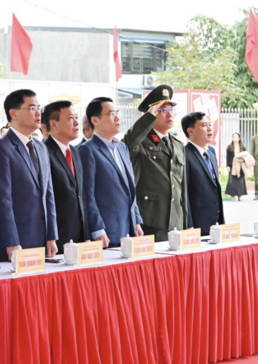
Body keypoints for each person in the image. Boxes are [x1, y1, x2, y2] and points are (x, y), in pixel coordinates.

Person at [0, 89, 57, 261]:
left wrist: (52, 235)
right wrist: (11, 241)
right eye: (32, 108)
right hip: (17, 239)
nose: (38, 113)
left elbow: (49, 194)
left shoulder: (41, 147)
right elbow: (1, 200)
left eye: (39, 108)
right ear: (14, 113)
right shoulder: (1, 148)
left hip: (42, 238)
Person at [123, 85, 189, 241]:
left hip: (176, 221)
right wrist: (149, 116)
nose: (169, 114)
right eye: (162, 110)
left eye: (171, 110)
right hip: (151, 220)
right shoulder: (141, 141)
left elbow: (182, 189)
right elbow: (127, 145)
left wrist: (185, 222)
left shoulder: (177, 145)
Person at [79, 97, 143, 246]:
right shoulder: (87, 150)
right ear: (95, 120)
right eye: (112, 114)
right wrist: (97, 229)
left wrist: (137, 220)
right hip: (107, 231)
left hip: (130, 228)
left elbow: (129, 189)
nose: (118, 118)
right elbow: (87, 195)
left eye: (117, 113)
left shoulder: (122, 148)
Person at [42, 101, 89, 253]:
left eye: (76, 117)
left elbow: (81, 195)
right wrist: (51, 236)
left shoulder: (75, 152)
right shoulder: (43, 152)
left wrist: (87, 233)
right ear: (53, 124)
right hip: (57, 238)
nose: (76, 122)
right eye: (70, 118)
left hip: (79, 237)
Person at [182, 112, 224, 234]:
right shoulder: (184, 154)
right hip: (197, 224)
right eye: (204, 125)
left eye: (210, 124)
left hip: (215, 222)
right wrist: (189, 224)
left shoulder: (211, 152)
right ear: (190, 131)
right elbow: (184, 193)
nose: (210, 128)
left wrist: (221, 220)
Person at [225, 132, 249, 201]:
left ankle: (240, 195)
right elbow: (228, 157)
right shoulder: (229, 147)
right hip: (232, 166)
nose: (235, 139)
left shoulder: (243, 147)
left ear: (239, 138)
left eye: (236, 137)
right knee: (231, 181)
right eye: (233, 137)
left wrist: (243, 161)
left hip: (241, 166)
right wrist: (228, 166)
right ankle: (232, 196)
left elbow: (246, 156)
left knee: (240, 181)